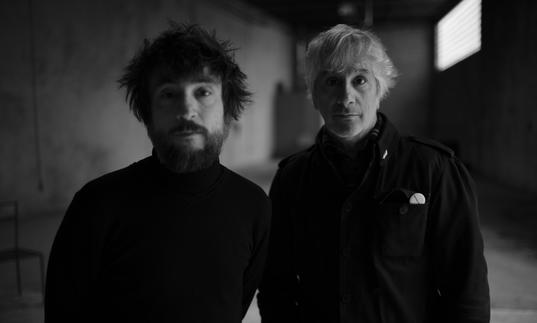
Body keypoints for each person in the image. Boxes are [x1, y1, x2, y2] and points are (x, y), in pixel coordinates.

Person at [257, 24, 490, 323]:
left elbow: (466, 285)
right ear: (314, 95)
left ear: (380, 89)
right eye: (331, 81)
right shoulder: (292, 178)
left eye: (360, 80)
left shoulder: (434, 169)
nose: (346, 96)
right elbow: (277, 284)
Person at [45, 23, 271, 323]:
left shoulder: (253, 205)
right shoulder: (97, 205)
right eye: (168, 94)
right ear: (147, 114)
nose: (187, 109)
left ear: (228, 111)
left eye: (203, 91)